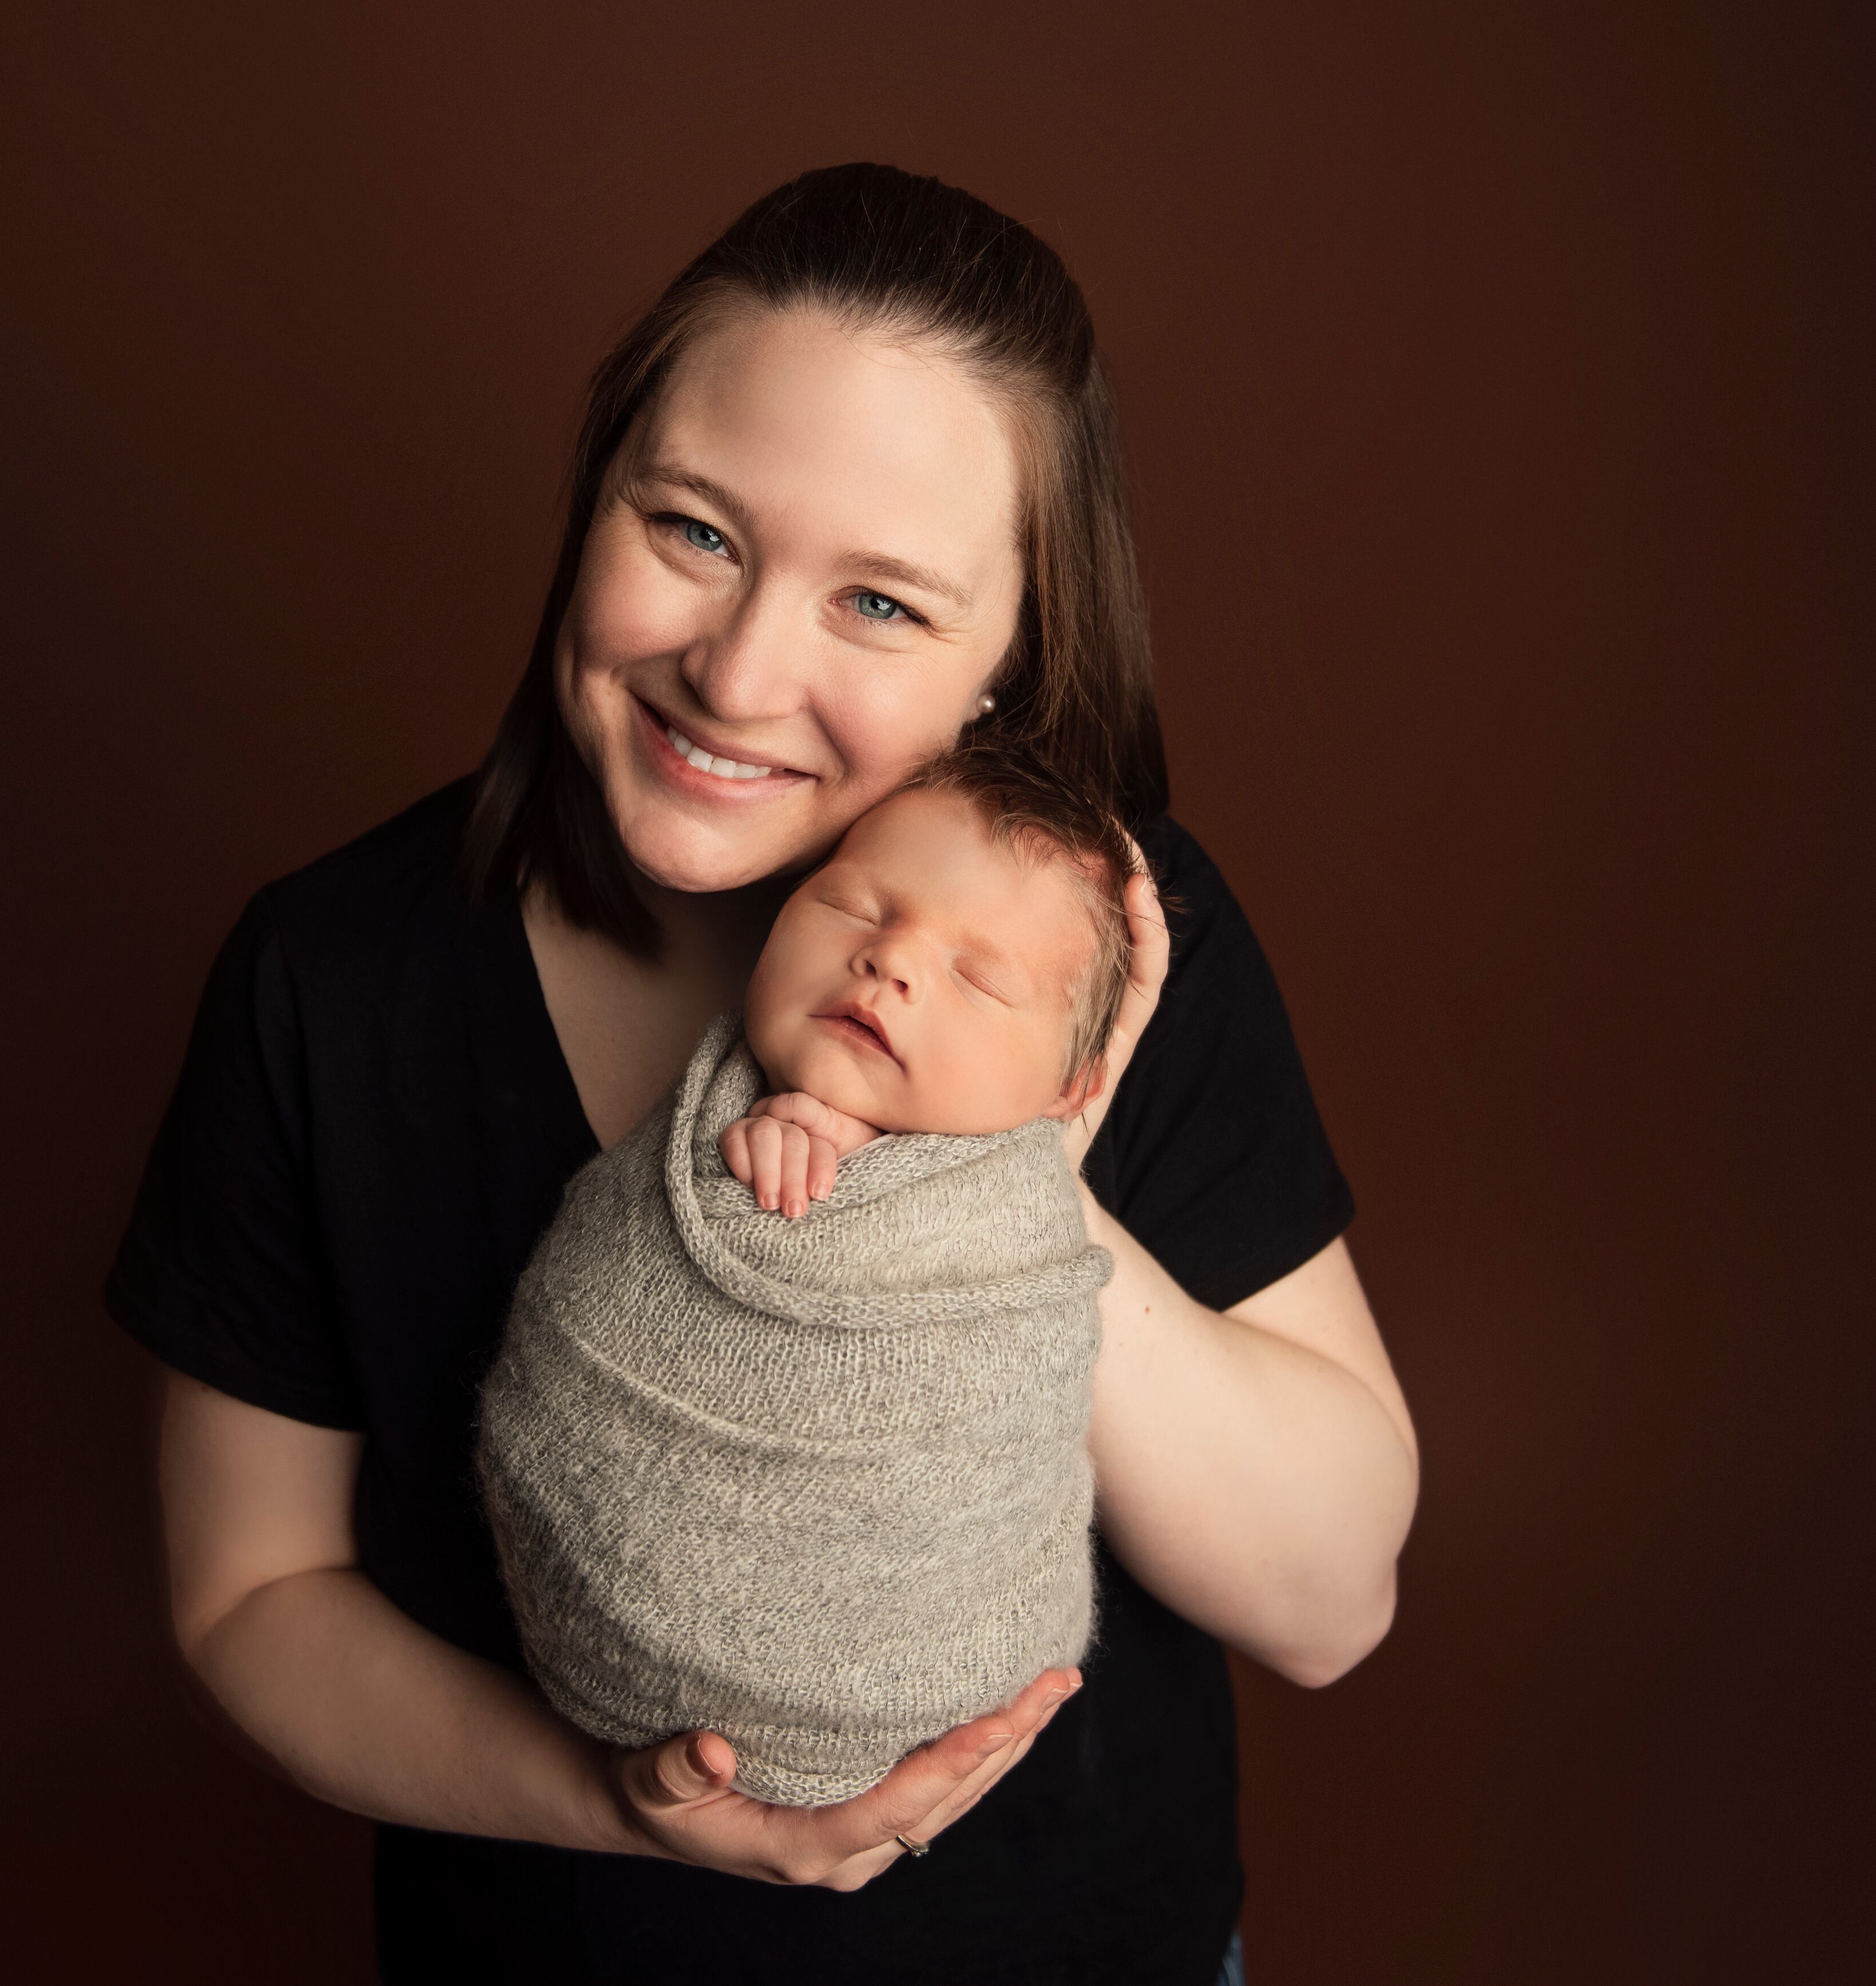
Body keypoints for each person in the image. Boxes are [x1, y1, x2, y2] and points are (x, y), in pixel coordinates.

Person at [109, 162, 1420, 1985]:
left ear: (1006, 662)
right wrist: (612, 1797)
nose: (736, 672)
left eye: (882, 604)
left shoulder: (1110, 943)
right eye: (695, 530)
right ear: (594, 502)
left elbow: (1331, 1601)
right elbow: (248, 1597)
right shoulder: (331, 976)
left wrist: (1019, 1181)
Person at [480, 757, 1140, 1812]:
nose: (889, 963)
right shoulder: (714, 1108)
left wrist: (868, 1203)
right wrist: (767, 1154)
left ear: (1073, 1085)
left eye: (978, 977)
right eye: (853, 906)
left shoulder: (1019, 1226)